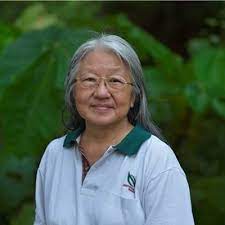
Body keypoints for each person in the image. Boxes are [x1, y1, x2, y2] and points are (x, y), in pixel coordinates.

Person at [34, 34, 195, 225]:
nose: (101, 92)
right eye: (89, 80)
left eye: (115, 81)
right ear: (73, 91)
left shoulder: (156, 159)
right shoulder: (55, 154)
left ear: (134, 96)